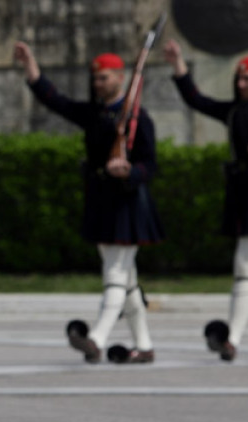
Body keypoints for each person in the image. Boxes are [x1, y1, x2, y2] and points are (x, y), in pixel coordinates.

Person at [14, 42, 164, 364]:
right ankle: (144, 345)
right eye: (96, 79)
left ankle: (97, 338)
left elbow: (150, 165)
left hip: (127, 201)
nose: (98, 84)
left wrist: (130, 171)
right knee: (126, 278)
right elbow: (54, 100)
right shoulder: (94, 114)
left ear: (121, 79)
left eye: (105, 79)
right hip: (101, 199)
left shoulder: (139, 118)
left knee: (115, 272)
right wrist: (31, 68)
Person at [164, 40, 248, 362]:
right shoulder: (234, 112)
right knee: (244, 269)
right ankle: (233, 340)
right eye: (240, 79)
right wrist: (178, 66)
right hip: (244, 195)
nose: (242, 85)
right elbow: (196, 99)